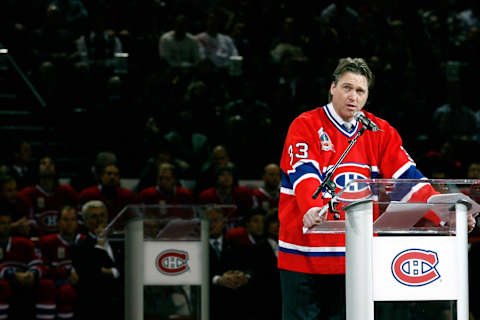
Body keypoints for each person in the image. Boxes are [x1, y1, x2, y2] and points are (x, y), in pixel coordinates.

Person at [278, 57, 477, 320]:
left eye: (360, 91)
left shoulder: (379, 131)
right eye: (347, 88)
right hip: (303, 256)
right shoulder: (305, 124)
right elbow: (304, 174)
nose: (353, 97)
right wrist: (313, 207)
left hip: (355, 257)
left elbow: (408, 181)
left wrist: (445, 211)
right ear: (332, 87)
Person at [71, 200, 123, 320]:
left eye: (102, 215)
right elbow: (93, 276)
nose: (99, 220)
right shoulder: (80, 246)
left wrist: (114, 272)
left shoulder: (120, 240)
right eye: (94, 216)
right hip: (95, 303)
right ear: (85, 221)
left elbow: (130, 268)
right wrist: (100, 245)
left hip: (123, 299)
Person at [0, 211, 56, 320]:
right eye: (1, 223)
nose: (5, 227)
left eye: (7, 223)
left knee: (47, 285)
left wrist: (32, 274)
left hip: (24, 280)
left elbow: (38, 262)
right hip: (5, 281)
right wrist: (12, 275)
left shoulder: (23, 243)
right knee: (2, 286)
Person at [39, 205, 81, 320]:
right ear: (58, 222)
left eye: (73, 219)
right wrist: (67, 272)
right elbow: (44, 268)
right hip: (57, 281)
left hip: (81, 281)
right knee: (60, 289)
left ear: (77, 222)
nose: (69, 223)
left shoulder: (84, 240)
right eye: (65, 219)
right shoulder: (47, 242)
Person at [18, 156, 79, 234]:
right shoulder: (27, 193)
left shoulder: (67, 191)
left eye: (51, 163)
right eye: (43, 163)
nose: (48, 165)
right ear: (37, 168)